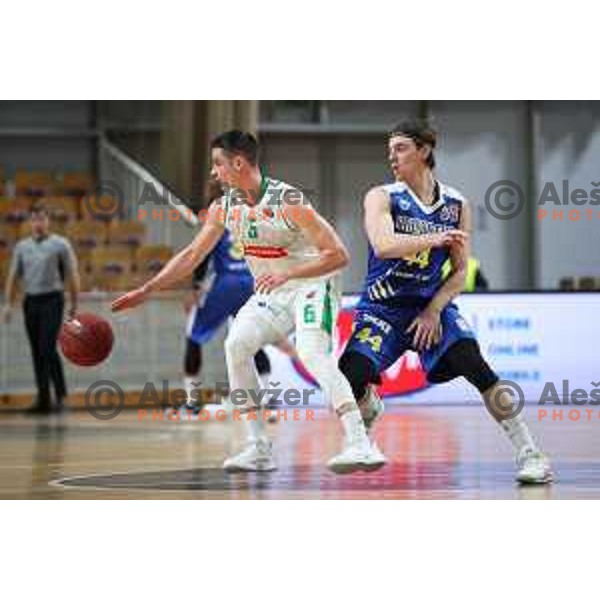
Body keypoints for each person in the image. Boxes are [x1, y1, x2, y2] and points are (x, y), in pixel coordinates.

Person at [112, 130, 384, 473]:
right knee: (236, 344)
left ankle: (361, 442)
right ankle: (258, 447)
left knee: (313, 352)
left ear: (238, 163)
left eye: (217, 164)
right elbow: (193, 254)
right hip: (275, 290)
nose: (213, 172)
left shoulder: (290, 200)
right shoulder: (223, 208)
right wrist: (147, 289)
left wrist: (289, 274)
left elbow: (339, 255)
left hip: (314, 283)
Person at [338, 118, 552, 484]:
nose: (392, 157)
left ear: (424, 151)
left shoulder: (456, 204)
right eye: (389, 151)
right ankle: (369, 406)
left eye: (401, 148)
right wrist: (434, 238)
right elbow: (384, 246)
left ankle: (530, 453)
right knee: (350, 374)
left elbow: (459, 272)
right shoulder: (382, 196)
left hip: (429, 306)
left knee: (476, 366)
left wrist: (434, 310)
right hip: (382, 309)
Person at [180, 178, 272, 415]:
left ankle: (191, 401)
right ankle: (269, 399)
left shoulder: (217, 215)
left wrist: (196, 286)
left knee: (194, 336)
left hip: (225, 283)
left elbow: (203, 253)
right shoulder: (255, 215)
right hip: (251, 284)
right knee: (253, 341)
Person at [2, 202, 80, 414]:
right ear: (30, 222)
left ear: (48, 221)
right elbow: (12, 277)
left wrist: (75, 302)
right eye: (34, 218)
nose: (38, 223)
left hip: (52, 300)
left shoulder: (60, 244)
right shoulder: (22, 247)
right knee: (37, 351)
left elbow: (72, 274)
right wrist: (7, 305)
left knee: (47, 348)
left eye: (42, 218)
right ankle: (43, 399)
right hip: (31, 301)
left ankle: (61, 397)